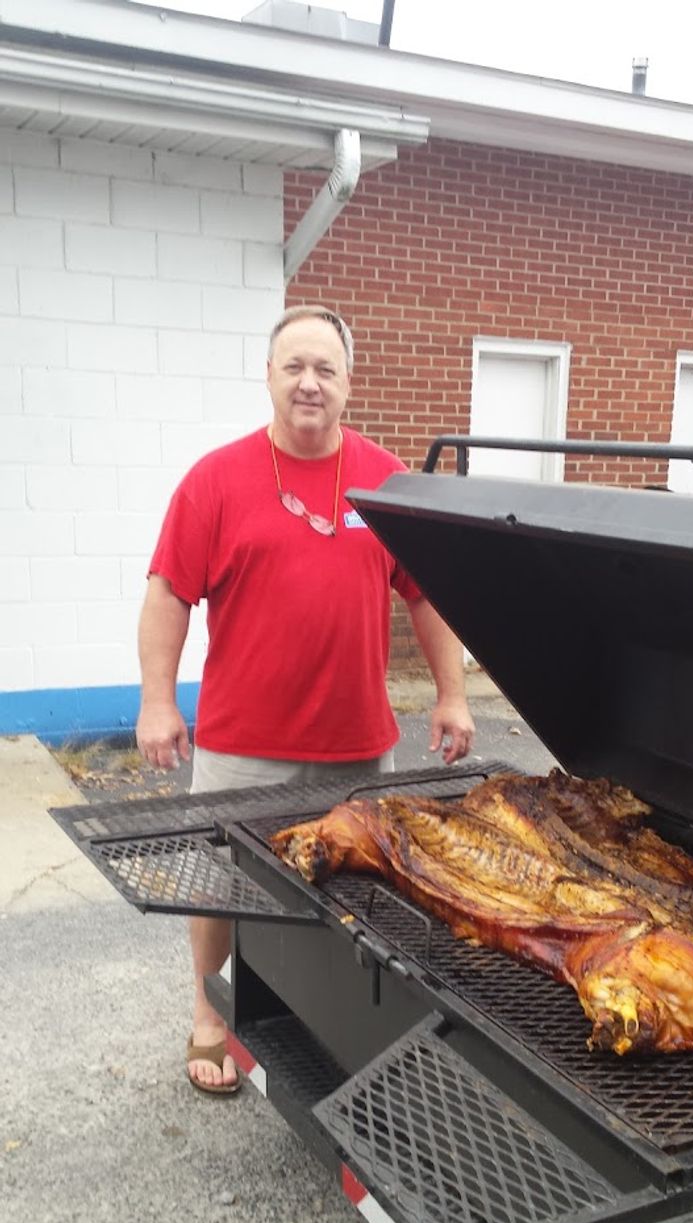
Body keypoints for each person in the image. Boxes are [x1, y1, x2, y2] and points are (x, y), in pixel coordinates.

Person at [136, 304, 475, 1094]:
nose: (309, 382)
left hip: (357, 744)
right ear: (269, 377)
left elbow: (428, 595)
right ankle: (208, 1010)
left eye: (325, 368)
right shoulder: (215, 479)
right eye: (294, 366)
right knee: (221, 883)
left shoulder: (388, 481)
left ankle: (335, 1023)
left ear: (349, 383)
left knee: (352, 892)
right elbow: (168, 593)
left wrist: (453, 695)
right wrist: (158, 700)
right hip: (241, 741)